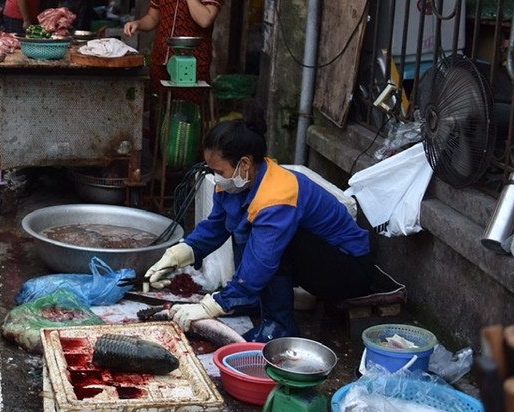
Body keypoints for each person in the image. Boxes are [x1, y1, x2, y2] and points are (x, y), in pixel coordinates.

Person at [145, 113, 374, 342]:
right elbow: (216, 227)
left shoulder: (278, 195)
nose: (216, 178)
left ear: (244, 163)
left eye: (219, 172)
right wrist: (179, 253)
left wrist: (214, 305)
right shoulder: (235, 185)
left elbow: (263, 261)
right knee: (243, 225)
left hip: (348, 269)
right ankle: (252, 301)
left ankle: (279, 327)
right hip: (316, 260)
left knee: (272, 243)